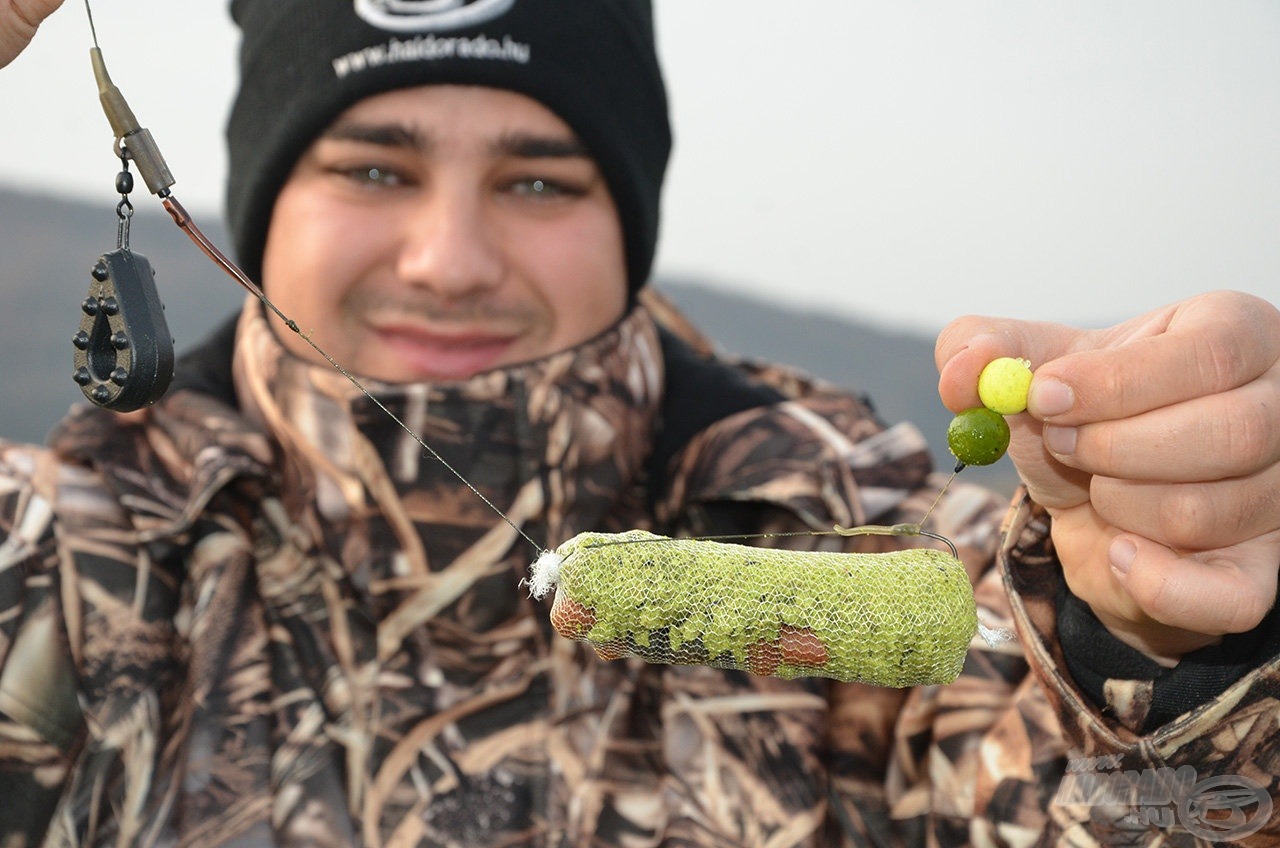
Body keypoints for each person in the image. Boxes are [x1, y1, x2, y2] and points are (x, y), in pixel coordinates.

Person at [1, 2, 1278, 845]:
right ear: (258, 205)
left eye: (538, 178)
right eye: (375, 167)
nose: (449, 257)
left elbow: (1160, 811)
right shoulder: (46, 563)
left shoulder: (901, 556)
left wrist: (1170, 649)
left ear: (629, 214)